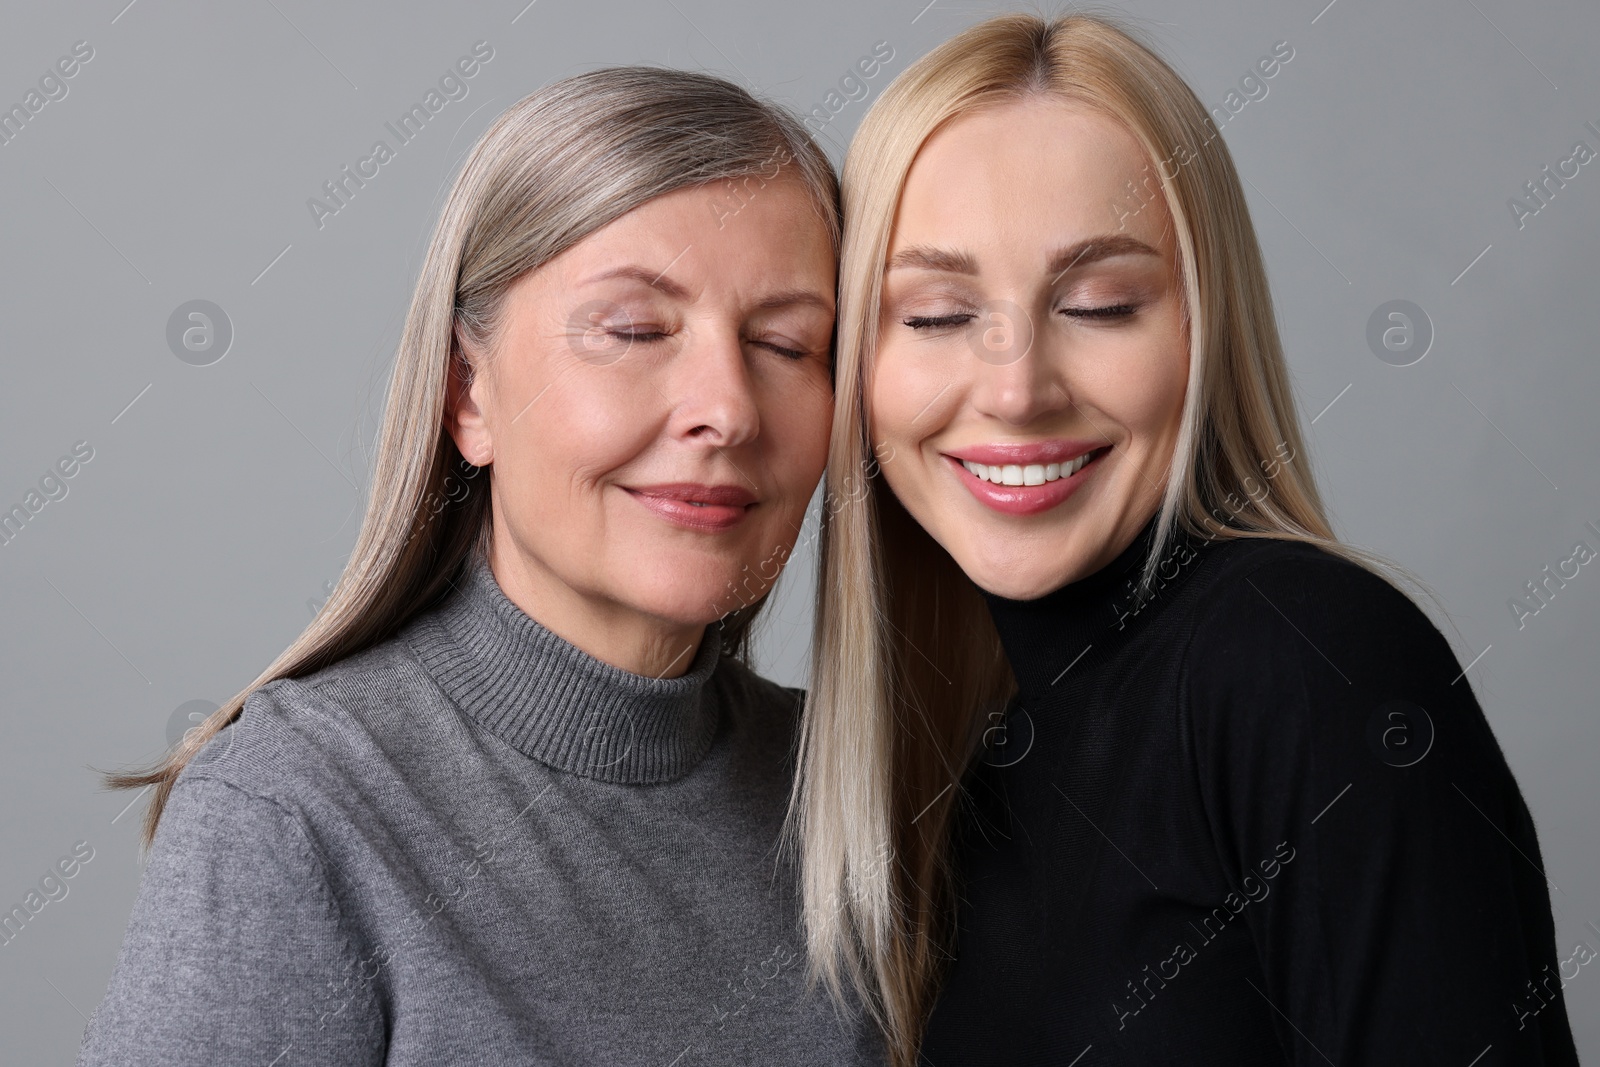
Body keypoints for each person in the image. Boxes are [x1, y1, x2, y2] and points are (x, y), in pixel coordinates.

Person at [789, 13, 1579, 1066]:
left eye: (1101, 304)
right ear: (860, 365)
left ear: (1203, 331)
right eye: (933, 315)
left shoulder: (1303, 657)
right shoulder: (957, 772)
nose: (1018, 388)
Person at [81, 66, 880, 1066]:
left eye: (785, 341)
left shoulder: (861, 798)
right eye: (634, 330)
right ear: (468, 393)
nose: (729, 406)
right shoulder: (293, 811)